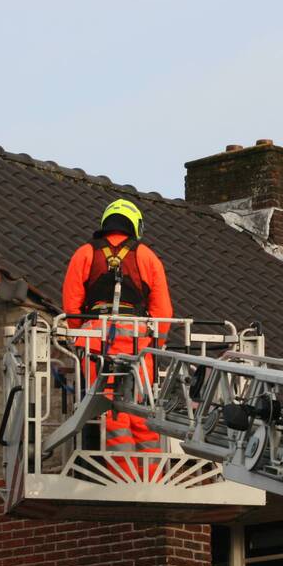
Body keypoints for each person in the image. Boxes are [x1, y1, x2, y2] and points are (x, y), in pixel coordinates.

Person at [61, 199, 173, 475]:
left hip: (95, 344)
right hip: (139, 346)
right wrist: (156, 344)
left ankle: (121, 471)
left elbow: (72, 307)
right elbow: (163, 311)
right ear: (134, 225)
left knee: (109, 409)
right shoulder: (147, 256)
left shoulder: (84, 254)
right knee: (142, 408)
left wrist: (82, 333)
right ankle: (151, 473)